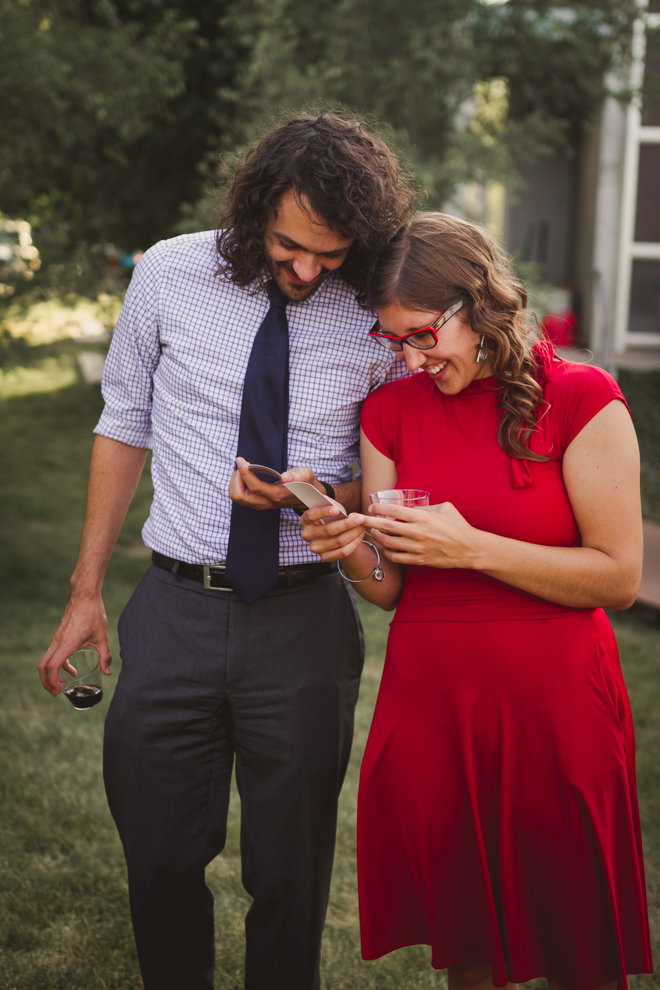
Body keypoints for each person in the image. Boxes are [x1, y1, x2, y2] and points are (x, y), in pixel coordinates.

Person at [37, 114, 415, 990]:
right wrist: (85, 588)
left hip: (305, 620)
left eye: (332, 252)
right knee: (161, 859)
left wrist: (319, 496)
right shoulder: (170, 271)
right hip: (175, 609)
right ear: (252, 211)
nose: (310, 270)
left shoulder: (372, 304)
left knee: (290, 876)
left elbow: (392, 477)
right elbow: (123, 421)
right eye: (291, 246)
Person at [301, 213, 653, 990]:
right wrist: (347, 548)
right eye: (392, 341)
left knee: (577, 940)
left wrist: (473, 549)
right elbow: (390, 590)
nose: (410, 358)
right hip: (434, 704)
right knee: (469, 945)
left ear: (476, 304)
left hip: (557, 705)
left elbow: (619, 578)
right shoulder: (389, 413)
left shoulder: (581, 398)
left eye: (423, 336)